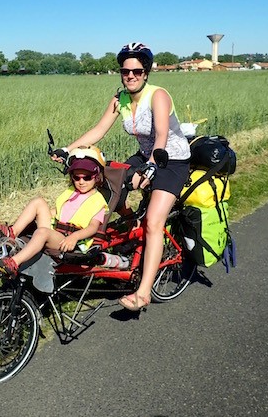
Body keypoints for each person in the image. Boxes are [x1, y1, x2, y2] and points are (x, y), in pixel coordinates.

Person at [54, 42, 191, 311]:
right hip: (145, 155)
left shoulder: (158, 96)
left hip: (171, 159)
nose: (130, 76)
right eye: (125, 71)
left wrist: (152, 166)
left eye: (137, 71)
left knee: (153, 222)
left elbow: (161, 135)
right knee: (106, 188)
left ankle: (143, 293)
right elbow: (99, 129)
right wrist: (68, 149)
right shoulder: (121, 99)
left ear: (146, 72)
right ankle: (123, 233)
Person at [0, 146, 109, 277]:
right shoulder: (72, 193)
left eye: (87, 178)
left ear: (96, 177)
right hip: (57, 231)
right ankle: (12, 232)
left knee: (42, 232)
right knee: (38, 202)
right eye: (76, 177)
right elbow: (58, 212)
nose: (81, 182)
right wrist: (35, 217)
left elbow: (92, 228)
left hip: (69, 241)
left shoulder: (98, 201)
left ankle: (13, 263)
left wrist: (74, 237)